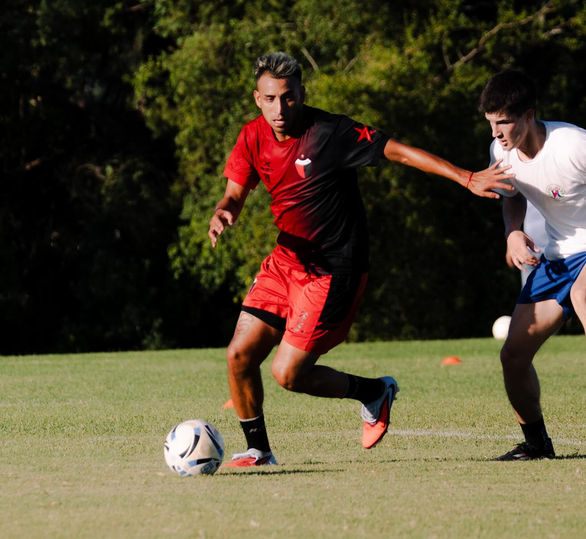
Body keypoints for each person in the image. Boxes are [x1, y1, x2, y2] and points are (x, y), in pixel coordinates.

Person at [209, 52, 512, 467]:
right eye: (271, 98)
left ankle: (373, 391)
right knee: (238, 355)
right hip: (286, 261)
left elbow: (399, 152)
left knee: (288, 375)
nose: (281, 108)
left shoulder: (330, 132)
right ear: (257, 99)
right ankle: (258, 450)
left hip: (334, 271)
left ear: (302, 93)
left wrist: (466, 176)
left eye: (290, 97)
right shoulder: (251, 135)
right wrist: (225, 210)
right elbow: (235, 192)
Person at [482, 69, 586, 461]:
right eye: (490, 123)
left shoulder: (577, 146)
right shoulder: (501, 151)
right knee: (513, 356)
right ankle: (536, 444)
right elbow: (512, 195)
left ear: (529, 116)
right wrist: (513, 232)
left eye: (504, 122)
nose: (496, 133)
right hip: (558, 258)